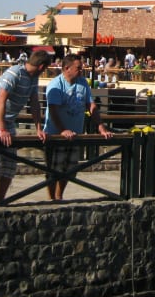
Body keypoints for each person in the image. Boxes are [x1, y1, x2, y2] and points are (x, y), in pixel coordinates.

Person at [0, 49, 50, 205]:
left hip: (9, 121)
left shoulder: (33, 79)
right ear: (41, 66)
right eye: (45, 69)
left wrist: (39, 128)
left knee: (9, 167)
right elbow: (1, 100)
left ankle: (0, 201)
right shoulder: (15, 73)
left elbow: (35, 104)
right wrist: (1, 129)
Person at [42, 54, 113, 202]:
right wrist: (62, 130)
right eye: (78, 68)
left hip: (76, 133)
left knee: (70, 169)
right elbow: (53, 110)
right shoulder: (56, 84)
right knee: (53, 169)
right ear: (67, 68)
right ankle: (51, 199)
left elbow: (90, 105)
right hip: (56, 134)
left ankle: (59, 195)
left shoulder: (82, 83)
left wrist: (100, 126)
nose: (81, 70)